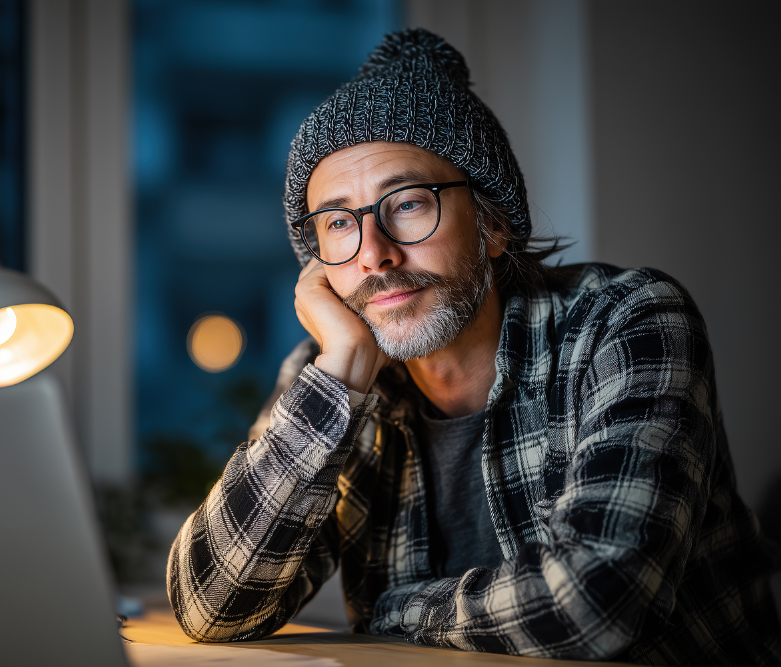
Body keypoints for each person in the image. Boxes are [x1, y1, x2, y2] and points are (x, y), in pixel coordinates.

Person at [166, 28, 781, 665]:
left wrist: (398, 609)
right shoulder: (332, 378)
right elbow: (208, 606)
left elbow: (598, 602)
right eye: (340, 224)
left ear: (492, 225)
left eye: (406, 205)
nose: (374, 254)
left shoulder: (625, 321)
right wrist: (340, 377)